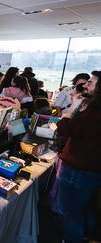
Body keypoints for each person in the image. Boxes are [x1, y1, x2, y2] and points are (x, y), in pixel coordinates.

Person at [56, 70, 101, 243]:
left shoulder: (94, 114)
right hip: (92, 169)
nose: (86, 85)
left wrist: (73, 108)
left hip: (78, 170)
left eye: (91, 83)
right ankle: (86, 236)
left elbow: (64, 129)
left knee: (70, 212)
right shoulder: (93, 110)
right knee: (85, 207)